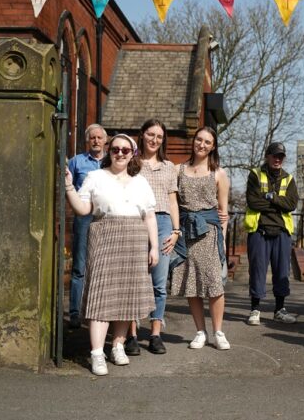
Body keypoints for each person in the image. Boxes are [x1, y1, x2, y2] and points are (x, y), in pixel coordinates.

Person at [64, 134, 159, 376]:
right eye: (115, 149)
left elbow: (149, 216)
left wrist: (154, 246)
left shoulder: (141, 182)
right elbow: (84, 208)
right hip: (105, 236)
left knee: (126, 295)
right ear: (109, 150)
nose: (119, 153)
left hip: (135, 240)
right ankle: (97, 353)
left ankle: (117, 345)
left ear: (132, 154)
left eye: (125, 150)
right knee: (101, 294)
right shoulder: (95, 177)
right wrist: (67, 186)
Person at [171, 126, 231, 350]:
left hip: (209, 234)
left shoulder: (219, 174)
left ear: (213, 146)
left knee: (215, 284)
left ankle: (218, 331)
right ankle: (200, 331)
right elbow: (173, 204)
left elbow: (224, 212)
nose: (202, 144)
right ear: (194, 141)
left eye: (207, 142)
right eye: (199, 140)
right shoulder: (178, 170)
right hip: (186, 233)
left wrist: (222, 239)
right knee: (192, 284)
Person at [125, 119, 180, 356]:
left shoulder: (169, 166)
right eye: (150, 134)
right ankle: (132, 334)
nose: (154, 140)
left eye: (159, 136)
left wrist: (176, 231)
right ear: (142, 135)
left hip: (163, 223)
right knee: (136, 280)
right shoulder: (132, 163)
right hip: (137, 222)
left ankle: (155, 333)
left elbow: (172, 200)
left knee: (159, 283)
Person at [244, 142, 299, 326]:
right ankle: (255, 309)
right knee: (258, 270)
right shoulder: (255, 175)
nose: (277, 159)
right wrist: (278, 204)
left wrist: (270, 197)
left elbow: (291, 204)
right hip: (259, 230)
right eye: (274, 155)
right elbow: (253, 202)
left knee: (282, 271)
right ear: (267, 156)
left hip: (282, 232)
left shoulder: (289, 179)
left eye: (281, 156)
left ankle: (279, 310)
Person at [67, 123, 107, 329]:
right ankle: (75, 312)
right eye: (93, 137)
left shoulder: (112, 161)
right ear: (87, 140)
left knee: (104, 266)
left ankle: (98, 310)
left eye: (100, 137)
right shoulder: (76, 162)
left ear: (105, 140)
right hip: (84, 217)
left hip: (107, 218)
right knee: (80, 266)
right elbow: (68, 188)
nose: (96, 141)